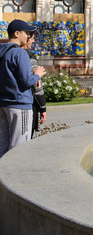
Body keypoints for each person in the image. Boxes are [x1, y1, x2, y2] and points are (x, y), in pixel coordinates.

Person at [0, 20, 46, 156]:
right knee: (20, 146)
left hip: (3, 103)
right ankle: (15, 176)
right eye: (26, 33)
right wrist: (37, 75)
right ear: (16, 33)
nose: (28, 36)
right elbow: (26, 81)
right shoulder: (20, 53)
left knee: (3, 143)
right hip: (20, 104)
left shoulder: (2, 51)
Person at [27, 50, 46, 136]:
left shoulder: (5, 53)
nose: (33, 40)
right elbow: (37, 88)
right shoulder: (29, 58)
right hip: (26, 105)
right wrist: (43, 108)